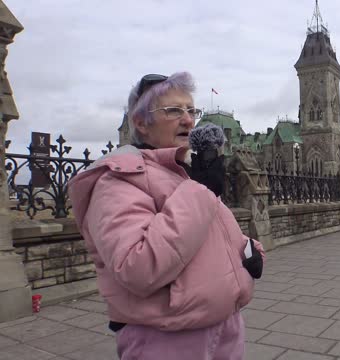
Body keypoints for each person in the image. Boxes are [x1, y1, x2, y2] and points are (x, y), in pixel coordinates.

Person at [68, 72, 264, 360]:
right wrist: (199, 191)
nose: (188, 119)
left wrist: (251, 253)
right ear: (140, 123)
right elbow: (138, 266)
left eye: (191, 110)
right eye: (173, 110)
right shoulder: (118, 180)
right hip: (167, 339)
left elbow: (213, 236)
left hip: (226, 327)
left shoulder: (185, 175)